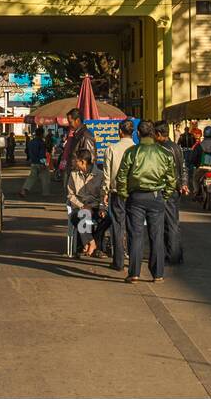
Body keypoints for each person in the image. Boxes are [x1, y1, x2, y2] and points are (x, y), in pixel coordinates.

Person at [116, 120, 178, 284]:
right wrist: (164, 196)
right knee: (156, 236)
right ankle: (158, 274)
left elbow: (121, 177)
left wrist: (124, 195)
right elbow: (172, 179)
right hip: (156, 197)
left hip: (135, 197)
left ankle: (134, 273)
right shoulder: (164, 153)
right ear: (152, 133)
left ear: (138, 133)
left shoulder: (132, 152)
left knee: (136, 235)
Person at [101, 119, 135, 271]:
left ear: (120, 131)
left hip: (116, 193)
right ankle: (133, 260)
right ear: (132, 132)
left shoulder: (112, 148)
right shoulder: (137, 148)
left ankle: (118, 261)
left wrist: (105, 192)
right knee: (134, 226)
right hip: (134, 193)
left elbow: (107, 174)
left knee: (118, 226)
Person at [154, 122, 188, 265]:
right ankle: (176, 254)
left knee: (168, 224)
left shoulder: (161, 150)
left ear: (159, 134)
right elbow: (183, 168)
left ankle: (172, 255)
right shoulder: (176, 147)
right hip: (175, 190)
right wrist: (184, 184)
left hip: (166, 190)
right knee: (173, 222)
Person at [66, 150, 106, 258]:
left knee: (109, 218)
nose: (74, 162)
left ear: (83, 162)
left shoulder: (100, 175)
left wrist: (102, 208)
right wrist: (82, 206)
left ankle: (93, 245)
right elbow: (70, 195)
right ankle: (91, 243)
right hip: (80, 207)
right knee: (83, 215)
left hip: (96, 206)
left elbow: (104, 194)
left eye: (76, 160)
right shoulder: (73, 175)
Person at [58, 108, 97, 179]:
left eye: (70, 122)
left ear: (78, 120)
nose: (69, 125)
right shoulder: (77, 135)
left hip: (80, 177)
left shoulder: (86, 136)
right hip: (73, 173)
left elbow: (90, 160)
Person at [19, 127, 52, 198]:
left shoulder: (31, 142)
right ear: (42, 134)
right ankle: (46, 193)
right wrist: (43, 163)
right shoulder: (41, 143)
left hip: (33, 162)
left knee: (31, 177)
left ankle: (24, 190)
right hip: (40, 162)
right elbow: (42, 154)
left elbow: (28, 151)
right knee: (45, 177)